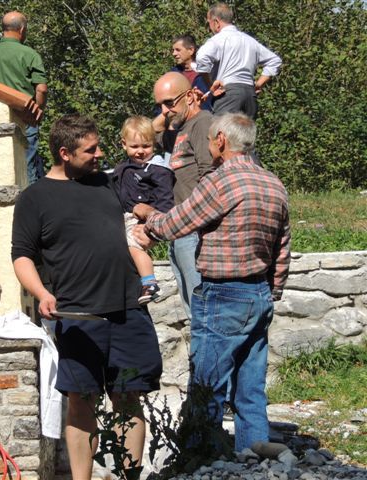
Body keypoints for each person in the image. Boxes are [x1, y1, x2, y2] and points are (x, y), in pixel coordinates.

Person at [12, 114, 162, 479]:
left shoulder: (109, 184)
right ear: (65, 153)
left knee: (128, 397)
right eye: (90, 150)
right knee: (80, 401)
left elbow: (141, 223)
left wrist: (149, 231)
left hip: (128, 312)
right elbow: (21, 256)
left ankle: (129, 476)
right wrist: (42, 293)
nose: (99, 154)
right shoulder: (35, 198)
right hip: (79, 321)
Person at [133, 112, 291, 452]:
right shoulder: (273, 183)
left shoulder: (221, 182)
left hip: (222, 293)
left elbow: (178, 223)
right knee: (250, 386)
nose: (207, 145)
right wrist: (272, 291)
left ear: (220, 140)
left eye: (209, 140)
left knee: (208, 384)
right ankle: (255, 457)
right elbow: (283, 248)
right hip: (260, 293)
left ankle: (201, 460)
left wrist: (148, 218)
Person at [152, 72, 214, 320]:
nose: (165, 111)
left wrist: (195, 224)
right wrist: (166, 111)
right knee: (192, 308)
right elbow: (149, 131)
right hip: (179, 230)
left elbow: (209, 176)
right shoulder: (179, 129)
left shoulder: (203, 123)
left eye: (169, 102)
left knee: (201, 307)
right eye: (159, 105)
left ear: (190, 96)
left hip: (194, 231)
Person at [111, 116, 175, 304]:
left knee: (134, 246)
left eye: (146, 146)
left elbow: (165, 200)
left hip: (143, 219)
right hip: (124, 216)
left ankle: (150, 282)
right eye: (135, 146)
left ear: (154, 144)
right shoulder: (123, 168)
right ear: (124, 144)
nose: (140, 151)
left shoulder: (158, 169)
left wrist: (154, 223)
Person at [0, 11, 48, 184]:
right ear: (22, 29)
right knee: (27, 169)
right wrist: (37, 111)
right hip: (25, 118)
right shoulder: (29, 54)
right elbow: (41, 89)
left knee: (3, 168)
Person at [196, 2, 282, 119]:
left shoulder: (218, 40)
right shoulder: (250, 41)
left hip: (228, 94)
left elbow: (201, 57)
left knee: (221, 133)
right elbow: (275, 61)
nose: (209, 27)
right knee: (245, 135)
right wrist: (258, 84)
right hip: (249, 96)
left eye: (209, 23)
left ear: (216, 22)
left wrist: (210, 85)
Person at [170, 34, 212, 111]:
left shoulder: (206, 73)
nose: (174, 54)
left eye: (178, 50)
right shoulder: (172, 74)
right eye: (173, 50)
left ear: (191, 50)